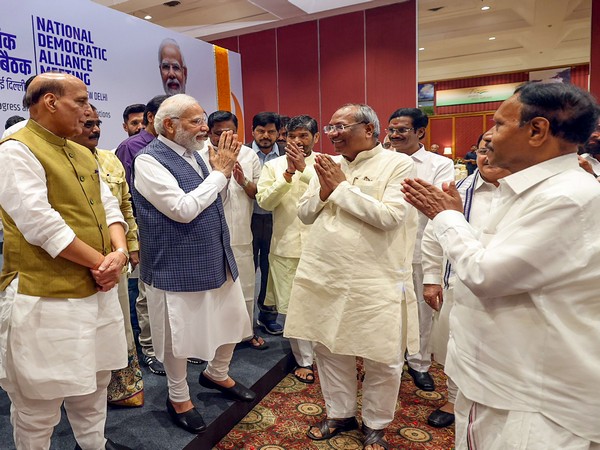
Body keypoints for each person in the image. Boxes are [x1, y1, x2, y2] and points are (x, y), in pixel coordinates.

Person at [402, 82, 600, 449]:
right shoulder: (533, 189)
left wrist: (446, 217)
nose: (488, 138)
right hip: (500, 379)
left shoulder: (566, 196)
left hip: (534, 395)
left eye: (498, 125)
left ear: (537, 131)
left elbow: (486, 274)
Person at [0, 72, 131, 450]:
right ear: (50, 102)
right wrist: (103, 264)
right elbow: (40, 224)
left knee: (95, 382)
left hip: (97, 292)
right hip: (46, 298)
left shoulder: (78, 149)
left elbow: (110, 206)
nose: (88, 110)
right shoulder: (15, 149)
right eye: (80, 101)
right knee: (38, 403)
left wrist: (119, 254)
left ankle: (93, 445)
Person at [285, 104, 418, 450]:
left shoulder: (398, 164)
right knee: (329, 348)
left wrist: (342, 189)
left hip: (375, 280)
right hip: (324, 274)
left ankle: (375, 423)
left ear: (370, 129)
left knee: (382, 357)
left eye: (341, 126)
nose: (334, 134)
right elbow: (304, 213)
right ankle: (339, 413)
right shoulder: (326, 165)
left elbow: (390, 217)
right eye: (331, 128)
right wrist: (326, 189)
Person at [132, 94, 255, 434]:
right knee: (179, 337)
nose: (205, 128)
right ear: (169, 125)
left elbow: (218, 198)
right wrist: (220, 174)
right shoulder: (149, 161)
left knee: (232, 321)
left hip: (215, 255)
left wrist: (223, 177)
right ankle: (178, 397)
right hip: (174, 263)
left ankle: (216, 374)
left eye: (204, 120)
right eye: (196, 122)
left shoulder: (197, 156)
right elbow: (183, 210)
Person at [420, 130, 510, 429]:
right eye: (484, 150)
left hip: (510, 289)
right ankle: (453, 397)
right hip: (459, 286)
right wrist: (432, 278)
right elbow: (433, 237)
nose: (489, 157)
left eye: (497, 150)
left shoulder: (527, 194)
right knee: (453, 347)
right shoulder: (457, 189)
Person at [72, 104, 144, 408]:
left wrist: (129, 246)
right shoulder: (57, 161)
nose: (95, 129)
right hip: (75, 260)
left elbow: (124, 205)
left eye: (97, 123)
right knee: (82, 328)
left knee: (119, 323)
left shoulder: (110, 159)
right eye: (87, 124)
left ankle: (122, 387)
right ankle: (80, 392)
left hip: (114, 258)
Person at [386, 107, 454, 392]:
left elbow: (435, 201)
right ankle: (390, 359)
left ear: (420, 132)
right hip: (386, 247)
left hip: (421, 247)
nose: (394, 135)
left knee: (422, 312)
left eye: (402, 130)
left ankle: (419, 364)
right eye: (391, 130)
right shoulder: (382, 159)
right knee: (388, 308)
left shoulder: (437, 163)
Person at [256, 114, 320, 383]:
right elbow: (265, 202)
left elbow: (328, 193)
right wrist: (289, 173)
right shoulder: (273, 167)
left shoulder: (328, 163)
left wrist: (303, 169)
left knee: (321, 304)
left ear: (315, 138)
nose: (297, 142)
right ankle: (304, 359)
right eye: (292, 136)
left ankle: (326, 356)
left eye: (304, 136)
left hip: (322, 247)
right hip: (285, 246)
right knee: (293, 308)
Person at [200, 110, 266, 350]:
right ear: (209, 133)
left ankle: (246, 332)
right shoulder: (199, 153)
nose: (224, 138)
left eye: (229, 132)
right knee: (214, 288)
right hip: (209, 233)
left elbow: (256, 193)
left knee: (246, 284)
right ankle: (215, 337)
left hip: (240, 230)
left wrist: (242, 181)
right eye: (218, 133)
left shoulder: (248, 154)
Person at [116, 94, 169, 376]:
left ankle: (173, 346)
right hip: (144, 229)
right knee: (147, 293)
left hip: (173, 230)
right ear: (153, 117)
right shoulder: (131, 147)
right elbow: (124, 197)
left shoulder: (173, 145)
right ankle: (150, 350)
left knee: (172, 291)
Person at [248, 112, 285, 335]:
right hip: (248, 219)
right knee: (246, 268)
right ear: (253, 131)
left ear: (278, 133)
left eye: (271, 131)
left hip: (276, 219)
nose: (265, 136)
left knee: (271, 270)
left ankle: (268, 315)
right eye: (261, 131)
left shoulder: (286, 154)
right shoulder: (242, 153)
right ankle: (244, 319)